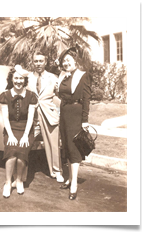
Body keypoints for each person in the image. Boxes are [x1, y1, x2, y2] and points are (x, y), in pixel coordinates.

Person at [15, 51, 64, 182]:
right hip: (32, 116)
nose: (38, 64)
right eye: (36, 61)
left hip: (49, 115)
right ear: (33, 62)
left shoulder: (53, 77)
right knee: (24, 144)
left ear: (45, 62)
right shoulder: (27, 77)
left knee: (54, 145)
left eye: (40, 61)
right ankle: (20, 176)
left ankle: (57, 172)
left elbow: (59, 96)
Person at [57, 47, 91, 200]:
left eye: (68, 60)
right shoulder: (62, 76)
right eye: (64, 61)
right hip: (64, 114)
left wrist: (85, 120)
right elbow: (60, 95)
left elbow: (86, 99)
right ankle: (70, 178)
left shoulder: (82, 76)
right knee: (66, 147)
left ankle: (74, 185)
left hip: (76, 116)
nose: (66, 63)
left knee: (74, 148)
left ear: (75, 61)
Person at [0, 67, 37, 198]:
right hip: (11, 128)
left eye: (21, 78)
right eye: (16, 78)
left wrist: (26, 135)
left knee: (22, 152)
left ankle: (19, 180)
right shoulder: (5, 95)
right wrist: (11, 135)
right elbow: (5, 118)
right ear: (12, 79)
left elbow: (31, 118)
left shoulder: (31, 96)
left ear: (25, 80)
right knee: (11, 152)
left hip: (26, 129)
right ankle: (8, 183)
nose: (18, 81)